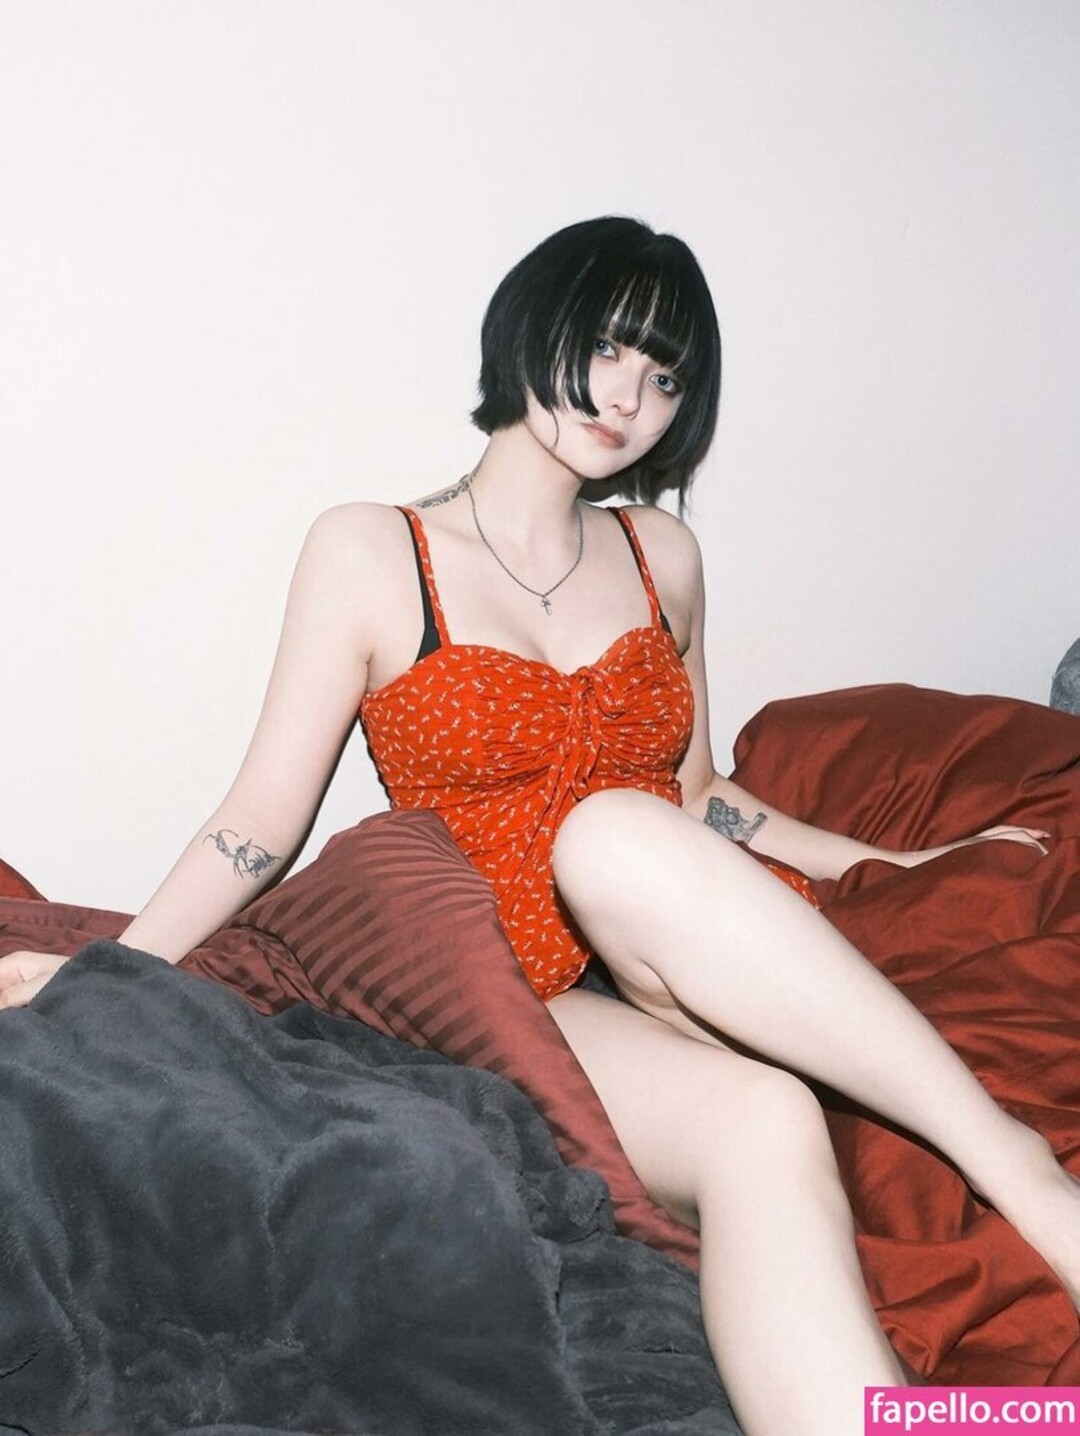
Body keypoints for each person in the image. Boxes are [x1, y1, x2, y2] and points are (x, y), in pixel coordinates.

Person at [1, 216, 1075, 1434]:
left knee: (620, 830)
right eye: (609, 346)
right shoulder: (372, 548)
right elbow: (259, 819)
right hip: (521, 987)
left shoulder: (663, 553)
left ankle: (1016, 1175)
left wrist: (899, 859)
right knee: (761, 1117)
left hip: (679, 932)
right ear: (529, 326)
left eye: (666, 376)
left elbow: (700, 795)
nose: (630, 397)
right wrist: (113, 969)